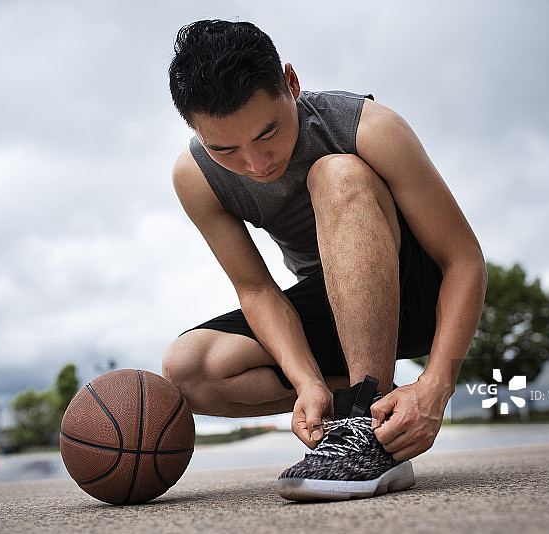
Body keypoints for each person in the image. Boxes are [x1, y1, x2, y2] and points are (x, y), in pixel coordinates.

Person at [164, 20, 486, 501]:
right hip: (333, 307)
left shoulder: (368, 126)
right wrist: (306, 380)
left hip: (416, 294)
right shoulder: (196, 177)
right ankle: (370, 413)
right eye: (224, 148)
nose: (255, 164)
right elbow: (256, 290)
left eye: (267, 132)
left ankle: (362, 420)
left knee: (334, 173)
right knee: (191, 368)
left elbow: (464, 260)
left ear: (290, 84)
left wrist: (436, 385)